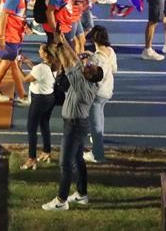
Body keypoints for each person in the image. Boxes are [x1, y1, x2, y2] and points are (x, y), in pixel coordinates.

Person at [41, 40, 103, 211]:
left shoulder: (83, 85)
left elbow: (68, 63)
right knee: (77, 160)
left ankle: (61, 200)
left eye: (89, 68)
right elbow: (74, 59)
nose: (87, 66)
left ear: (90, 77)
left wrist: (60, 48)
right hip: (77, 124)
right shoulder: (86, 79)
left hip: (74, 126)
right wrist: (62, 39)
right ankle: (82, 194)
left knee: (65, 164)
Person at [20, 44, 60, 170]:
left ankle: (31, 158)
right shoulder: (55, 65)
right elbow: (40, 73)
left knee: (31, 128)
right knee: (44, 124)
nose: (39, 51)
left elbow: (26, 79)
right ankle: (46, 152)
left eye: (40, 50)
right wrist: (28, 63)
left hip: (38, 100)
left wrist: (17, 67)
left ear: (46, 54)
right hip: (50, 98)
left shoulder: (40, 68)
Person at [84, 25, 117, 164]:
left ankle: (97, 154)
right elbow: (114, 69)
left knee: (95, 123)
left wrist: (86, 62)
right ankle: (98, 143)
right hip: (108, 89)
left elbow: (88, 75)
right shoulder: (110, 51)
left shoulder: (95, 59)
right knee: (100, 117)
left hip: (97, 92)